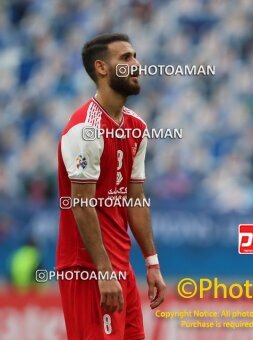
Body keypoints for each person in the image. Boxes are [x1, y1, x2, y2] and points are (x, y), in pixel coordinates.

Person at [56, 33, 166, 339]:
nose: (136, 64)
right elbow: (81, 203)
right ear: (102, 68)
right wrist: (104, 270)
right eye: (126, 58)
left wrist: (152, 263)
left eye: (135, 56)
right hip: (88, 268)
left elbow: (136, 199)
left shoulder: (137, 127)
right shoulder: (85, 130)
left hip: (121, 268)